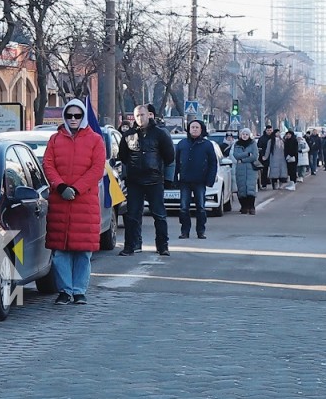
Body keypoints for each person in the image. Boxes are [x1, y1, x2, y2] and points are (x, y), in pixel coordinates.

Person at [42, 98, 106, 304]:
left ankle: (79, 290)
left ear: (83, 117)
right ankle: (64, 290)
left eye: (77, 115)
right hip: (60, 202)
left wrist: (76, 189)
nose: (73, 119)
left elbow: (97, 169)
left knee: (82, 252)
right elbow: (48, 165)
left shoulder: (96, 140)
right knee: (60, 252)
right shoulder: (54, 139)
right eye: (69, 115)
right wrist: (60, 186)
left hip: (84, 203)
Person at [119, 103, 174, 256]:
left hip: (154, 180)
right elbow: (123, 156)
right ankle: (130, 246)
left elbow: (169, 156)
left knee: (159, 215)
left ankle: (163, 246)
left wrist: (160, 171)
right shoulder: (128, 135)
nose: (140, 118)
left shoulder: (160, 134)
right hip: (135, 181)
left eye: (142, 115)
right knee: (132, 216)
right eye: (137, 116)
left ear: (149, 115)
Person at [174, 117, 218, 238]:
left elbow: (213, 163)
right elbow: (176, 163)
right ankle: (184, 231)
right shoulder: (182, 144)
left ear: (201, 130)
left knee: (201, 208)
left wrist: (210, 179)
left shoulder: (207, 145)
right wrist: (174, 178)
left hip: (200, 181)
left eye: (196, 127)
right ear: (188, 129)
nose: (194, 129)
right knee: (183, 208)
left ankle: (200, 231)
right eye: (192, 127)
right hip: (185, 181)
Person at [230, 128, 260, 214]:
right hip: (240, 169)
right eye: (243, 134)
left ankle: (251, 207)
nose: (245, 136)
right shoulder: (237, 144)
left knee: (250, 188)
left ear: (249, 135)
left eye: (246, 134)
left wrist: (243, 160)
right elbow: (236, 155)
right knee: (241, 188)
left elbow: (254, 156)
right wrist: (247, 154)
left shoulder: (253, 143)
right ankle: (244, 206)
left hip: (251, 168)